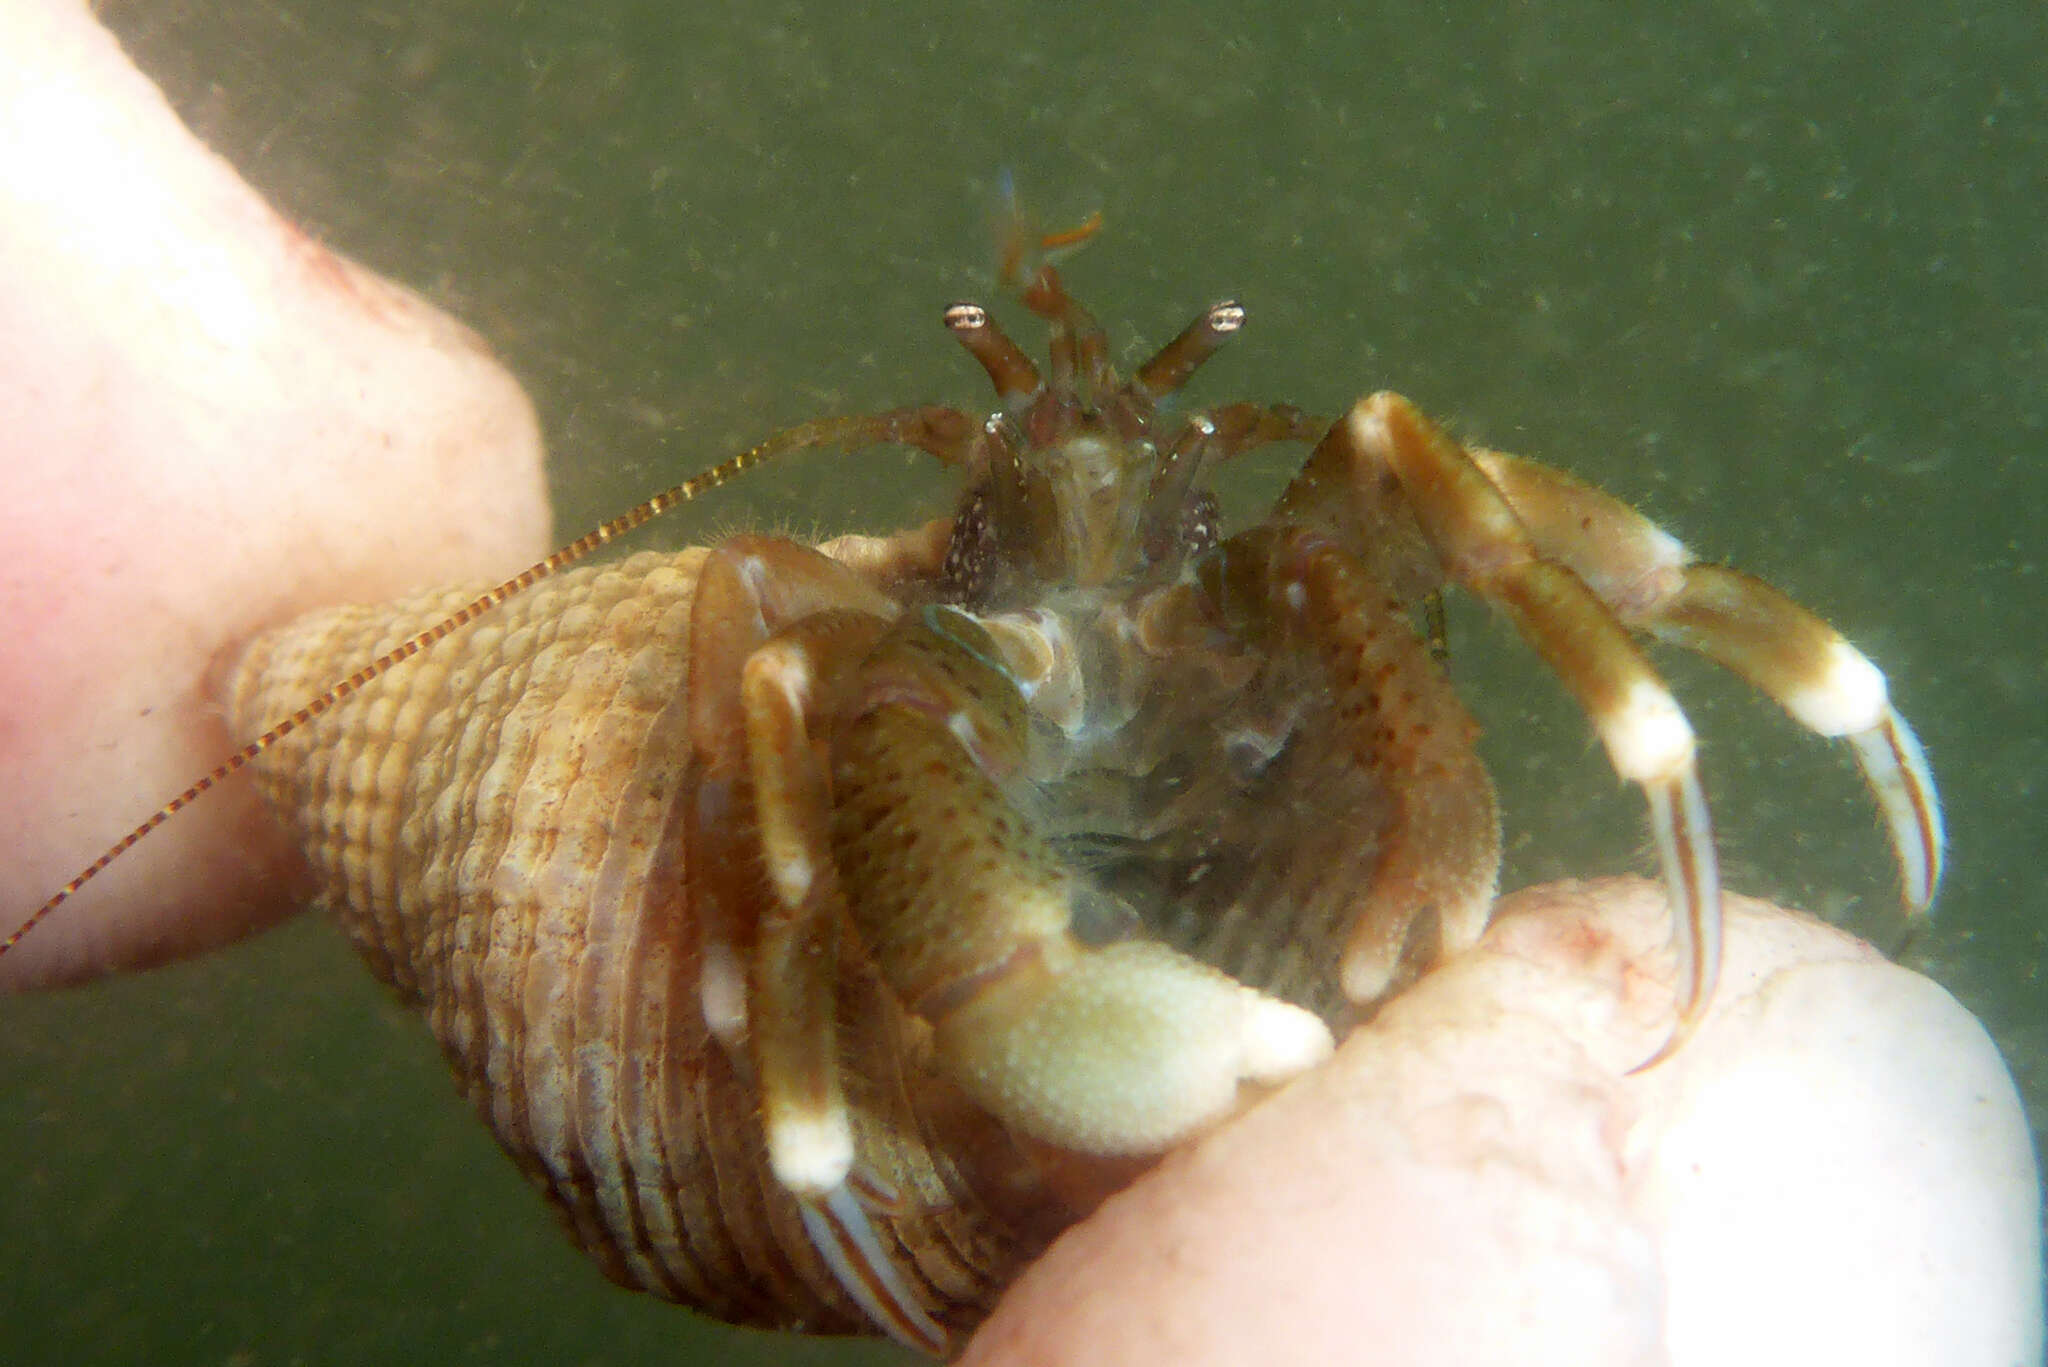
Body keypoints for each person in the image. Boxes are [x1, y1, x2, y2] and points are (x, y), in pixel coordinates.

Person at [1, 4, 2039, 1362]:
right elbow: (766, 676)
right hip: (919, 776)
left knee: (1408, 458)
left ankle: (1743, 691)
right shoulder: (865, 675)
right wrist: (777, 1003)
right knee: (817, 702)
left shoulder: (1260, 552)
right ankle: (830, 1118)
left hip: (1117, 768)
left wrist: (1655, 658)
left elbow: (1441, 531)